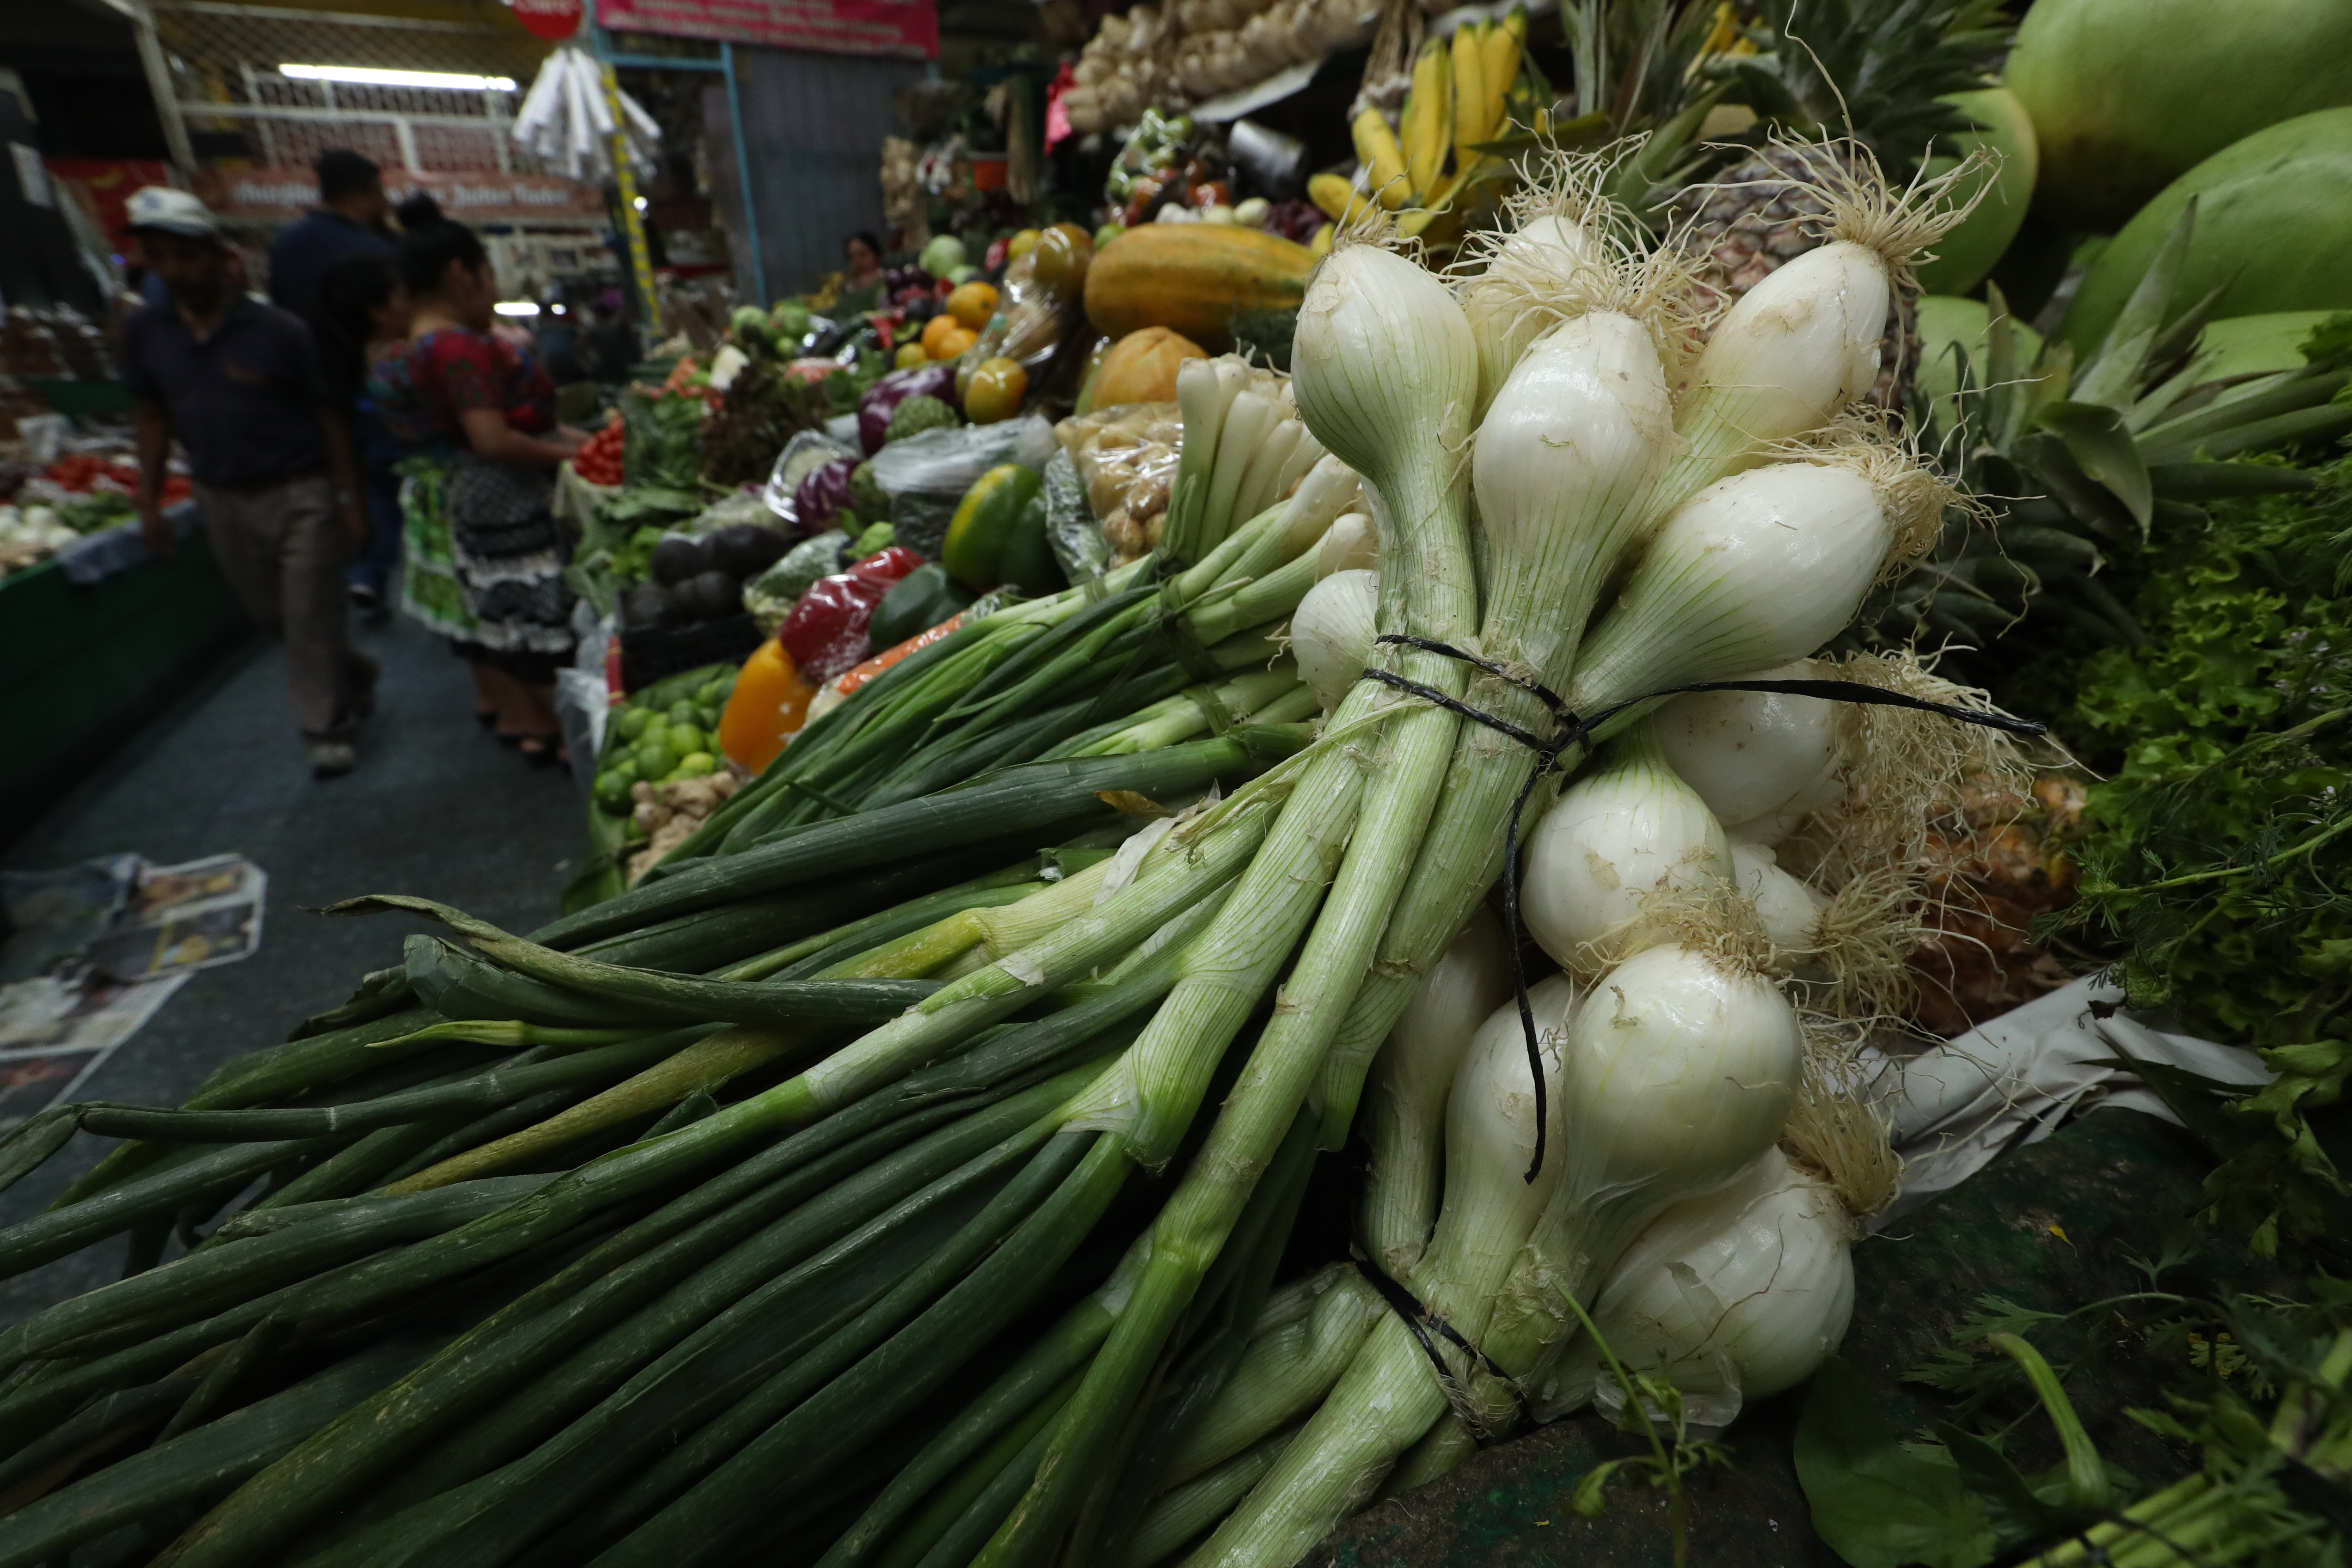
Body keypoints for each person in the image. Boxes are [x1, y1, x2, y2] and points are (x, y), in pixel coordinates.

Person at [120, 185, 378, 779]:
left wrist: (351, 501)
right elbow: (151, 416)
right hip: (221, 495)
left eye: (186, 255)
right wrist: (150, 501)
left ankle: (326, 731)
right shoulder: (147, 334)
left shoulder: (277, 330)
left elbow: (329, 417)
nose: (177, 271)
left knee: (310, 609)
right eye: (161, 257)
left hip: (300, 488)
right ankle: (353, 673)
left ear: (216, 254)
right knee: (276, 617)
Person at [387, 196, 585, 766]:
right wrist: (568, 460)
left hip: (468, 494)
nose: (492, 286)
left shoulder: (409, 347)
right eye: (488, 272)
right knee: (539, 619)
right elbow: (493, 439)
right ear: (459, 274)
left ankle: (543, 729)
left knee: (509, 623)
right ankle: (571, 742)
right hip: (505, 498)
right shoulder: (457, 348)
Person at [310, 254, 412, 619]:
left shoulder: (344, 364)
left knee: (381, 509)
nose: (410, 304)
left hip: (371, 456)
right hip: (409, 455)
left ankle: (367, 576)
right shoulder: (404, 356)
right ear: (378, 311)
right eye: (402, 296)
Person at [267, 149, 395, 320]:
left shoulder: (286, 239)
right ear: (363, 193)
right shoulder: (372, 250)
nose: (386, 203)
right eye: (381, 191)